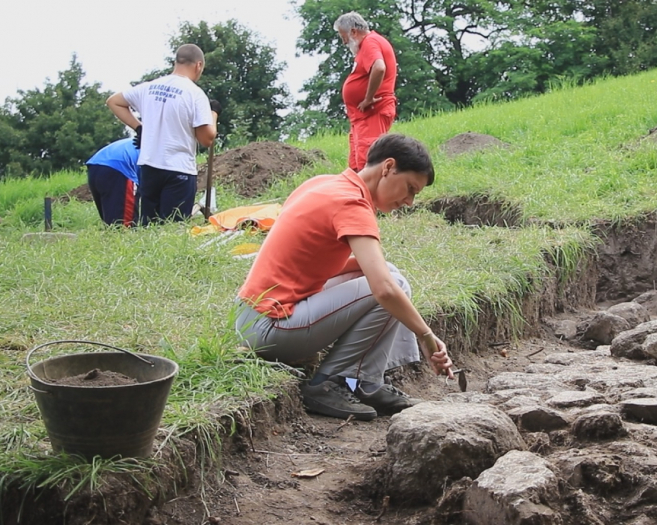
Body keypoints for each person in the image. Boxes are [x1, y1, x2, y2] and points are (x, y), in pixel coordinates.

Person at [235, 134, 454, 421]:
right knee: (391, 284)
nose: (410, 201)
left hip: (252, 316)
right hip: (269, 327)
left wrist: (370, 270)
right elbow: (384, 291)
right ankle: (329, 383)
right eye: (410, 188)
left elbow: (310, 261)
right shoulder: (351, 203)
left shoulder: (326, 183)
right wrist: (426, 335)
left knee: (388, 272)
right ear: (388, 167)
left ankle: (366, 382)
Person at [106, 44, 220, 225]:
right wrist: (213, 114)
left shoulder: (149, 87)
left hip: (149, 167)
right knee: (172, 230)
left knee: (149, 228)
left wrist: (139, 127)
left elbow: (114, 101)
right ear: (198, 65)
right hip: (178, 170)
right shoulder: (195, 94)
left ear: (176, 62)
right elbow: (206, 139)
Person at [334, 12, 397, 172]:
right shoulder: (366, 46)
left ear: (354, 31)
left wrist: (368, 98)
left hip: (372, 113)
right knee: (356, 167)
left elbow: (379, 67)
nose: (344, 42)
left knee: (368, 163)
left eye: (344, 37)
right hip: (361, 118)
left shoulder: (370, 42)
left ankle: (371, 197)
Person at [86, 138, 140, 226]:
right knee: (123, 227)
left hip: (95, 166)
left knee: (111, 223)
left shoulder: (141, 141)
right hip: (120, 168)